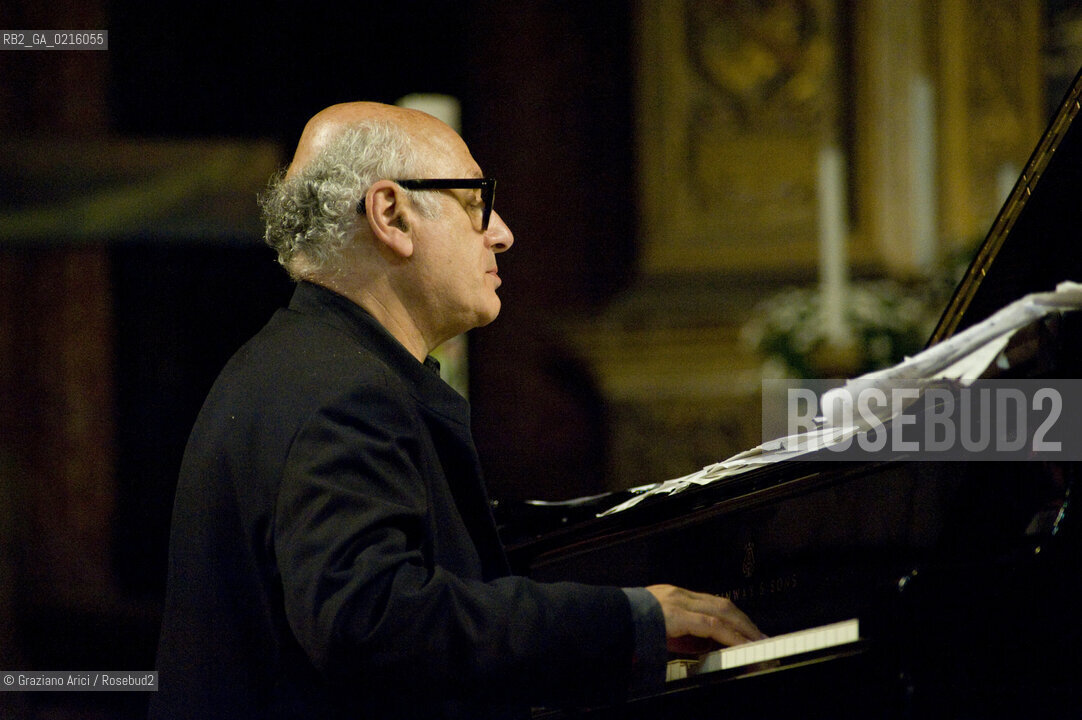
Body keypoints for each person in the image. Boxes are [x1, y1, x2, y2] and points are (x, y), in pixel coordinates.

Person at [149, 101, 762, 720]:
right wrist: (628, 620)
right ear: (391, 215)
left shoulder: (299, 365)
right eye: (476, 202)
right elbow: (370, 619)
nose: (502, 232)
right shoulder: (342, 393)